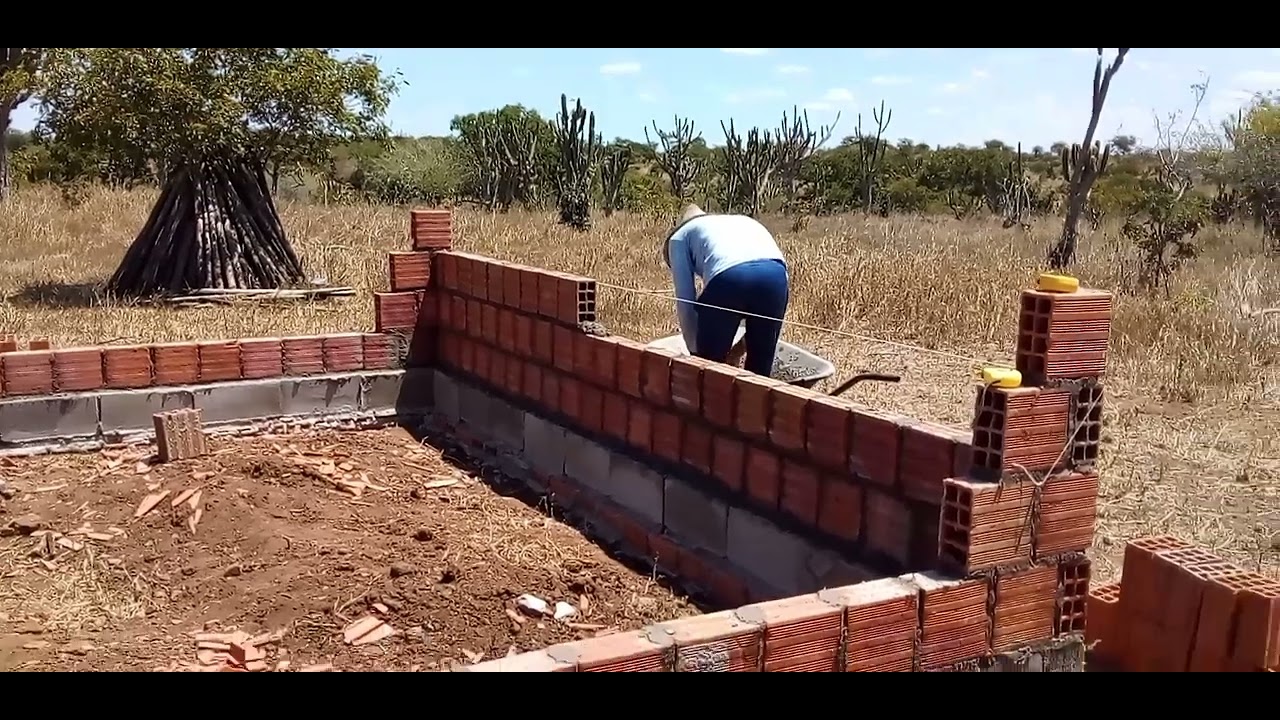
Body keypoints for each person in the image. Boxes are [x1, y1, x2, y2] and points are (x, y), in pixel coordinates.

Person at [663, 204, 790, 378]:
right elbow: (762, 320)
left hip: (729, 278)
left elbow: (686, 303)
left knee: (710, 373)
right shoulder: (741, 221)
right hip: (776, 277)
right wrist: (736, 353)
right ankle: (756, 403)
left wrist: (697, 356)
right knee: (760, 372)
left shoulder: (678, 237)